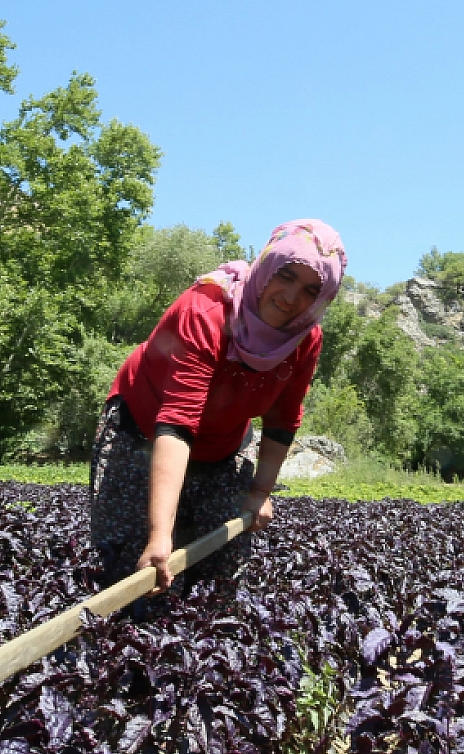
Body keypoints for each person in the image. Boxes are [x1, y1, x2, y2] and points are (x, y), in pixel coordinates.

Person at [89, 219, 347, 598]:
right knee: (137, 573)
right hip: (144, 432)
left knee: (219, 573)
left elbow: (283, 418)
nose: (291, 297)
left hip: (223, 443)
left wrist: (260, 492)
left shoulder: (303, 338)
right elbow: (177, 420)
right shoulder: (207, 310)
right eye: (286, 276)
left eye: (310, 290)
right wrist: (159, 534)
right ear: (266, 266)